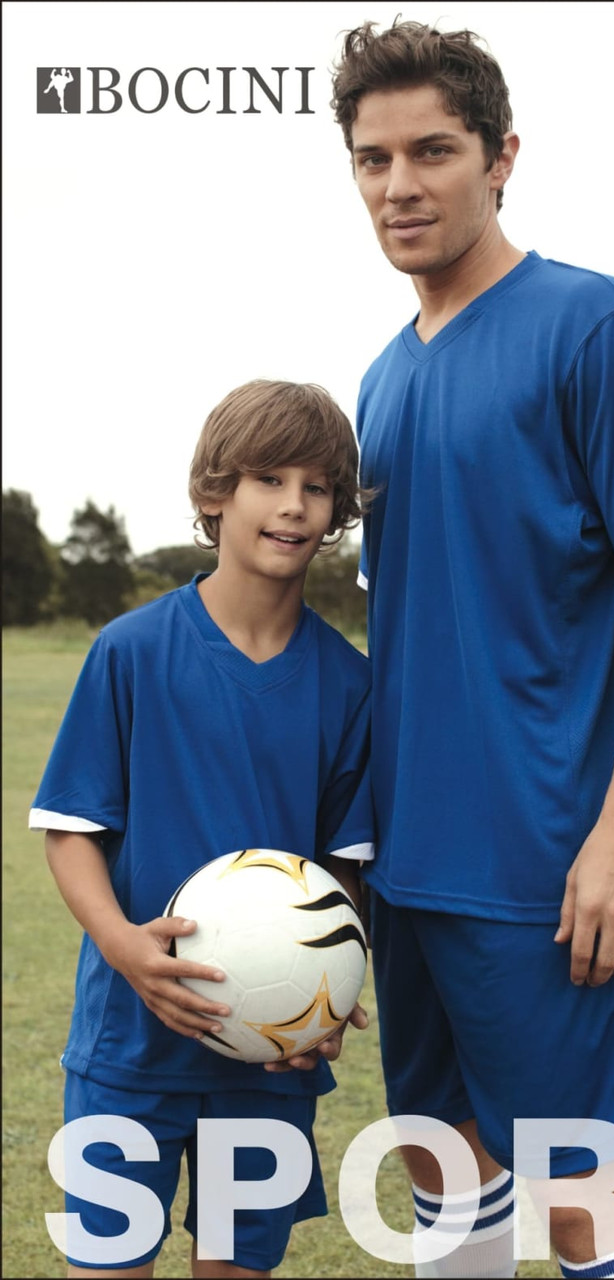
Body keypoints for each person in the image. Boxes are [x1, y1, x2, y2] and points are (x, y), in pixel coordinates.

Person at [322, 19, 614, 1280]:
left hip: (546, 858)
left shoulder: (594, 326)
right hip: (412, 851)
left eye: (432, 150)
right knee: (444, 1168)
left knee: (577, 1193)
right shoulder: (380, 378)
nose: (399, 184)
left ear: (502, 157)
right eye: (373, 158)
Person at [30, 380, 373, 1279]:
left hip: (271, 1056)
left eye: (318, 485)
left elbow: (349, 871)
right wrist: (124, 948)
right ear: (216, 492)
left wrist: (332, 993)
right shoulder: (133, 653)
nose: (295, 505)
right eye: (268, 478)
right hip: (128, 1048)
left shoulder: (349, 685)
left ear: (338, 510)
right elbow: (70, 830)